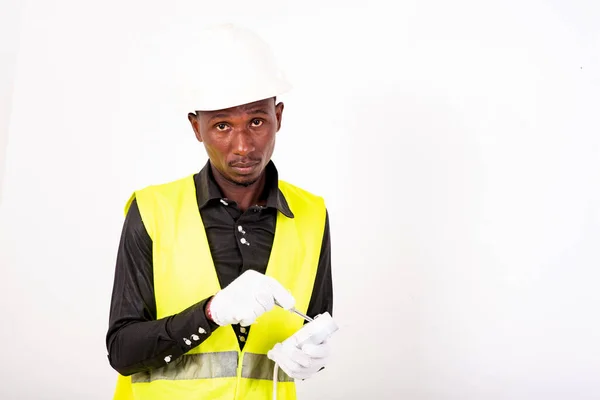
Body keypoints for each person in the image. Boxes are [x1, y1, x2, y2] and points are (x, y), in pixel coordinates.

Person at [106, 23, 334, 400]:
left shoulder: (312, 215)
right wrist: (210, 313)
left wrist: (314, 358)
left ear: (279, 115)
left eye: (257, 121)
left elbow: (312, 327)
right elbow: (122, 350)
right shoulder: (152, 211)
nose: (243, 146)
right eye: (222, 126)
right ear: (197, 128)